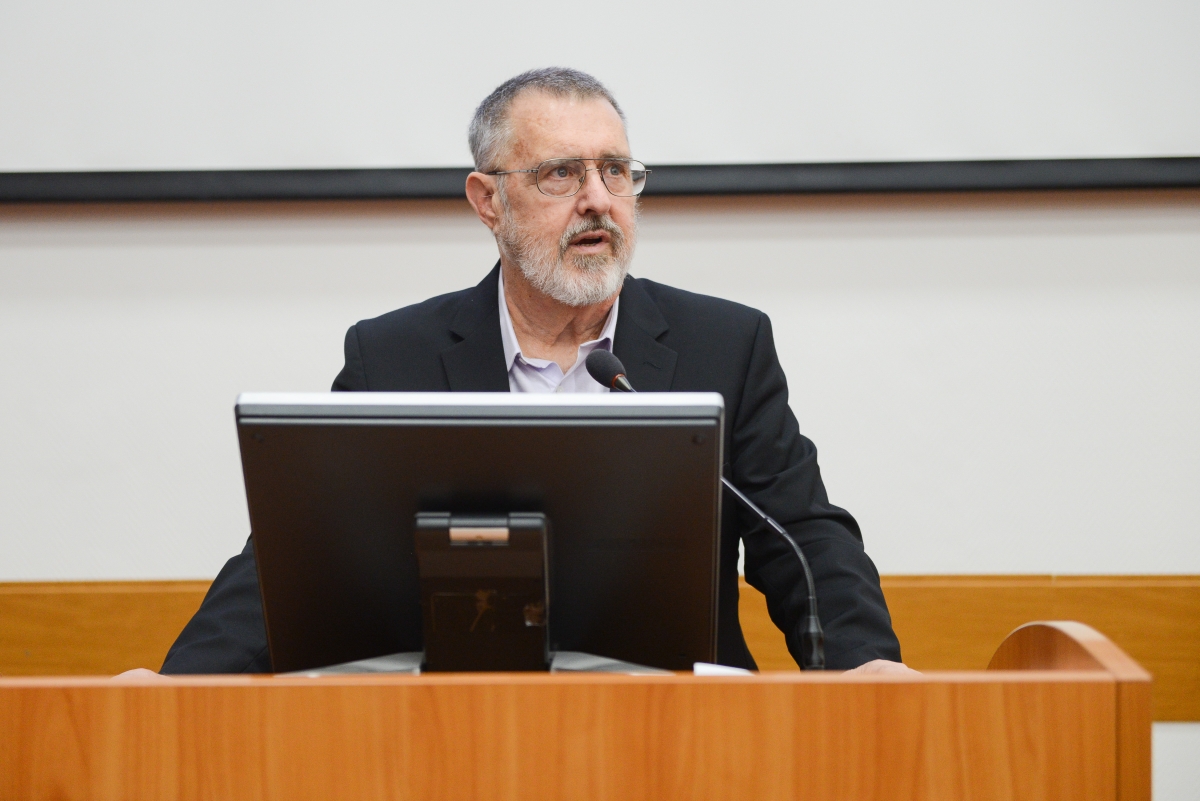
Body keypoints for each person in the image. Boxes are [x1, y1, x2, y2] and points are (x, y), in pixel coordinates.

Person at [160, 67, 907, 675]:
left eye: (616, 171)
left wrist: (865, 665)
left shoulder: (725, 344)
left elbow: (802, 536)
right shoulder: (393, 356)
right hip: (461, 732)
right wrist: (183, 684)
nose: (598, 201)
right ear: (488, 201)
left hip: (679, 733)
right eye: (561, 174)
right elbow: (301, 553)